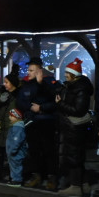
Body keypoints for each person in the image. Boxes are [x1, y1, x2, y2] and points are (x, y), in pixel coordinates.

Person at [17, 57, 59, 189]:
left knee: (49, 150)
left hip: (46, 122)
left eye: (31, 70)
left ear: (39, 71)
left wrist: (41, 108)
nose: (28, 72)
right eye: (28, 70)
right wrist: (30, 107)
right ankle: (36, 176)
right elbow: (20, 102)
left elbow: (55, 101)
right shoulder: (26, 85)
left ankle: (52, 177)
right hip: (31, 122)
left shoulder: (49, 83)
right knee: (34, 150)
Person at [55, 58, 94, 195]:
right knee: (76, 156)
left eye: (67, 73)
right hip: (70, 127)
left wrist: (60, 104)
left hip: (74, 128)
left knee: (74, 156)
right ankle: (84, 184)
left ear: (74, 74)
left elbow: (78, 110)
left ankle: (75, 186)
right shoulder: (71, 86)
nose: (65, 74)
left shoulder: (80, 89)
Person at [0, 72, 20, 181]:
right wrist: (0, 100)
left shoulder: (18, 96)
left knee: (11, 152)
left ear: (13, 83)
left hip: (11, 127)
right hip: (0, 126)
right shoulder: (1, 93)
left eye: (7, 82)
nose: (4, 84)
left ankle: (13, 175)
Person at [5, 107, 28, 187]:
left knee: (16, 166)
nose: (9, 117)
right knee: (13, 166)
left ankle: (17, 180)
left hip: (16, 152)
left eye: (11, 116)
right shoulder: (14, 126)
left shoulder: (18, 128)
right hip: (12, 151)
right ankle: (14, 179)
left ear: (16, 117)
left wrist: (12, 150)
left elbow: (16, 140)